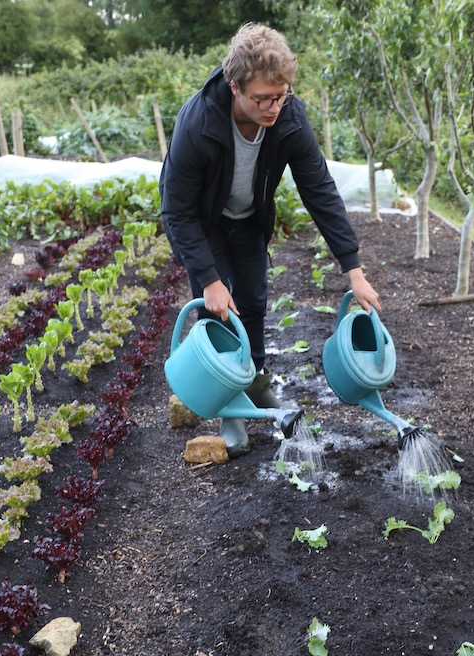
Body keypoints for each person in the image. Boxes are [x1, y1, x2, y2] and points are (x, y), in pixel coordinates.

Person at [160, 22, 381, 457]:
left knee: (255, 302)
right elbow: (177, 211)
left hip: (248, 218)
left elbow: (319, 189)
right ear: (235, 87)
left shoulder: (288, 117)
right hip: (202, 222)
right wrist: (208, 278)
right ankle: (228, 409)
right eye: (262, 98)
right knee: (218, 311)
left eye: (281, 95)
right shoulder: (199, 122)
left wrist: (354, 270)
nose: (273, 106)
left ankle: (257, 384)